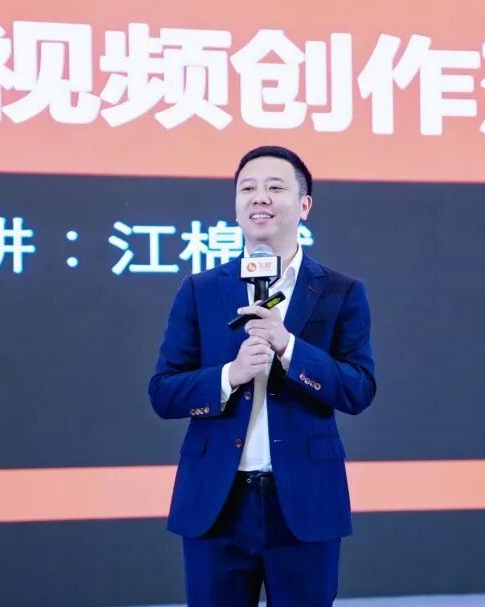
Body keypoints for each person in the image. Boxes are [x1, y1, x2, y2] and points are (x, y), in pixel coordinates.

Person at [149, 145, 376, 606]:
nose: (260, 198)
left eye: (275, 187)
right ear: (236, 205)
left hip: (304, 501)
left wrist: (289, 348)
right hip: (217, 502)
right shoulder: (200, 290)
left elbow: (358, 388)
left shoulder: (340, 291)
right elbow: (164, 392)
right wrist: (229, 375)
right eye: (247, 188)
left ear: (304, 205)